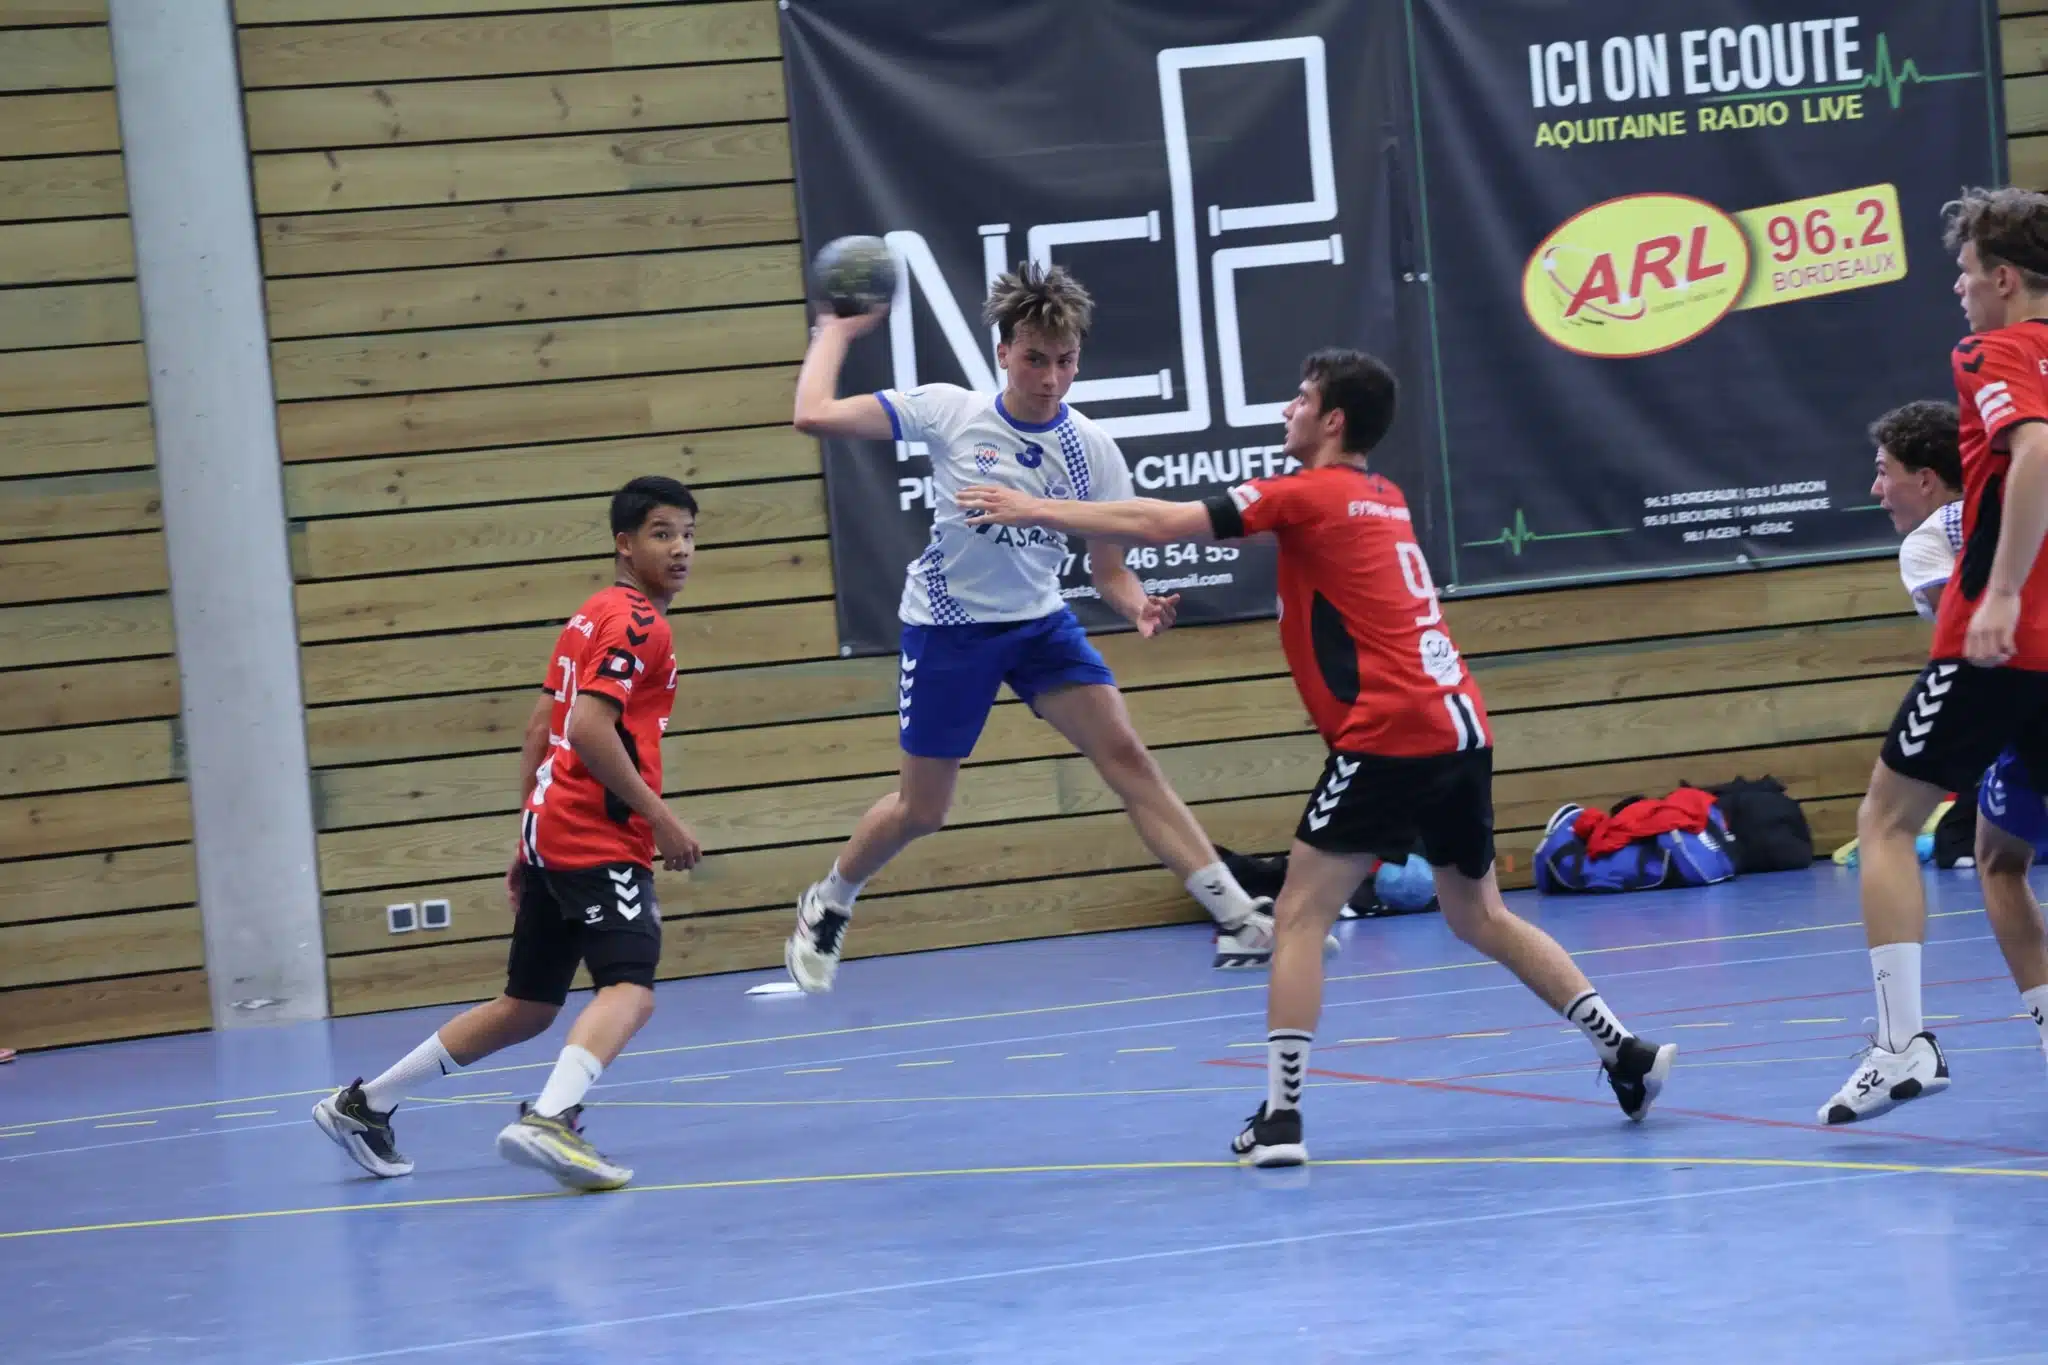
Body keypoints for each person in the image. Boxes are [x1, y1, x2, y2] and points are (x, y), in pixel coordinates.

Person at [958, 347, 1677, 1167]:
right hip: (1460, 726)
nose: (1286, 411)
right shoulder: (1384, 497)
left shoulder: (1307, 494)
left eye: (1299, 399)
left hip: (1388, 733)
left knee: (1298, 917)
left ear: (1332, 420)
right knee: (1479, 914)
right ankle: (1624, 1049)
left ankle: (1281, 1119)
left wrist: (1033, 506)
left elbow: (1159, 522)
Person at [783, 261, 1285, 990]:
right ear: (1003, 353)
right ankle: (831, 898)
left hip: (1039, 625)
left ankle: (1237, 915)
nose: (1051, 379)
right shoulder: (951, 412)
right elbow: (813, 414)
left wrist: (1137, 605)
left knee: (1129, 759)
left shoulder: (1091, 450)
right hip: (949, 627)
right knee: (923, 810)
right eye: (1035, 360)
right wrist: (833, 331)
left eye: (1065, 361)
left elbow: (1109, 570)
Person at [312, 477, 703, 1190]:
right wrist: (661, 817)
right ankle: (551, 1118)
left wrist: (528, 836)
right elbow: (585, 728)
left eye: (687, 534)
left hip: (553, 829)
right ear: (624, 544)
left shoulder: (590, 615)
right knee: (631, 987)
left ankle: (366, 1104)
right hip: (596, 833)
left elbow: (539, 727)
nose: (679, 549)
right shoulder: (640, 624)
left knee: (527, 1006)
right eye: (661, 534)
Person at [1821, 186, 2048, 1124]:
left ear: (2005, 279)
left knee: (1884, 820)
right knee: (1999, 852)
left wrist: (2003, 591)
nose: (1959, 290)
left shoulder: (1994, 352)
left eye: (1965, 273)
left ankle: (1900, 1044)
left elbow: (2035, 452)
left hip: (2000, 643)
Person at [1869, 401, 1977, 867]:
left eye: (1884, 472)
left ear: (1927, 479)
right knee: (1999, 853)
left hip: (2003, 678)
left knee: (1883, 822)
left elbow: (1969, 635)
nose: (1876, 490)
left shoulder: (1928, 540)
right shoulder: (2013, 508)